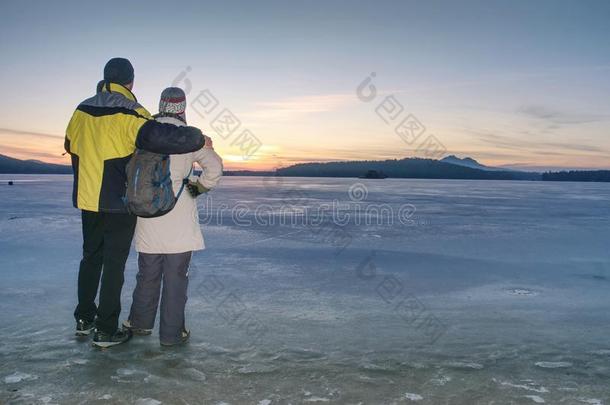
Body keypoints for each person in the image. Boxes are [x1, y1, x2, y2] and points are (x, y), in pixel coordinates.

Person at [65, 58, 208, 348]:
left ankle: (84, 318)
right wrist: (197, 138)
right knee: (114, 264)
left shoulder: (80, 109)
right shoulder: (132, 112)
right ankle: (106, 329)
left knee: (91, 257)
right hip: (118, 200)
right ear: (130, 82)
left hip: (87, 196)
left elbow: (70, 144)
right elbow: (160, 137)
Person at [123, 87, 223, 346]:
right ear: (182, 108)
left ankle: (140, 324)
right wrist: (197, 188)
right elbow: (215, 168)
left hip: (147, 218)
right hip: (178, 221)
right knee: (176, 279)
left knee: (147, 275)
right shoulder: (189, 139)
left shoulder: (143, 132)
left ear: (161, 104)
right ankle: (171, 334)